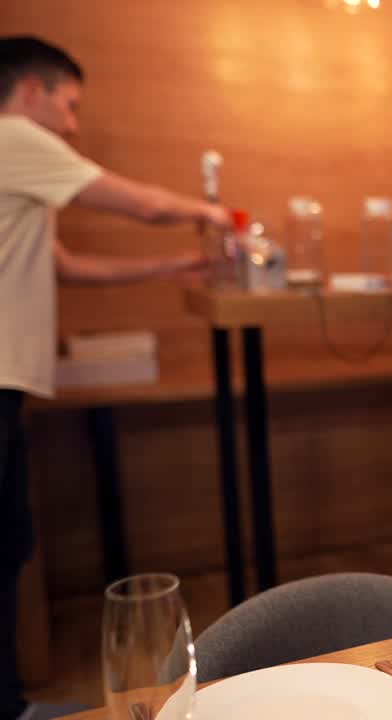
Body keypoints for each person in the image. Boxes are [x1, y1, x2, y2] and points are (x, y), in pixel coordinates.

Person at [1, 36, 229, 720]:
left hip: (10, 382)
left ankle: (8, 703)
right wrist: (209, 213)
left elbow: (66, 264)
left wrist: (171, 270)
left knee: (9, 541)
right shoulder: (12, 134)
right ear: (32, 91)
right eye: (68, 107)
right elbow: (142, 205)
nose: (72, 124)